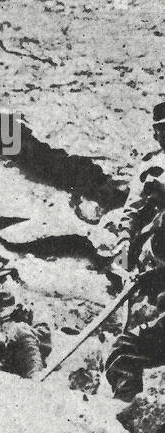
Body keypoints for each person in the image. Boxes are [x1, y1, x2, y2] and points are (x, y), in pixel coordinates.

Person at [105, 103, 165, 401]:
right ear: (155, 132)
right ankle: (128, 408)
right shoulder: (150, 167)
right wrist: (121, 262)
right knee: (133, 343)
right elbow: (129, 218)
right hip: (148, 268)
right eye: (162, 128)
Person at [0, 254, 52, 379]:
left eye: (2, 280)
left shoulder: (31, 308)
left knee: (19, 330)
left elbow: (43, 341)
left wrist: (5, 341)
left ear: (16, 281)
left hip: (27, 371)